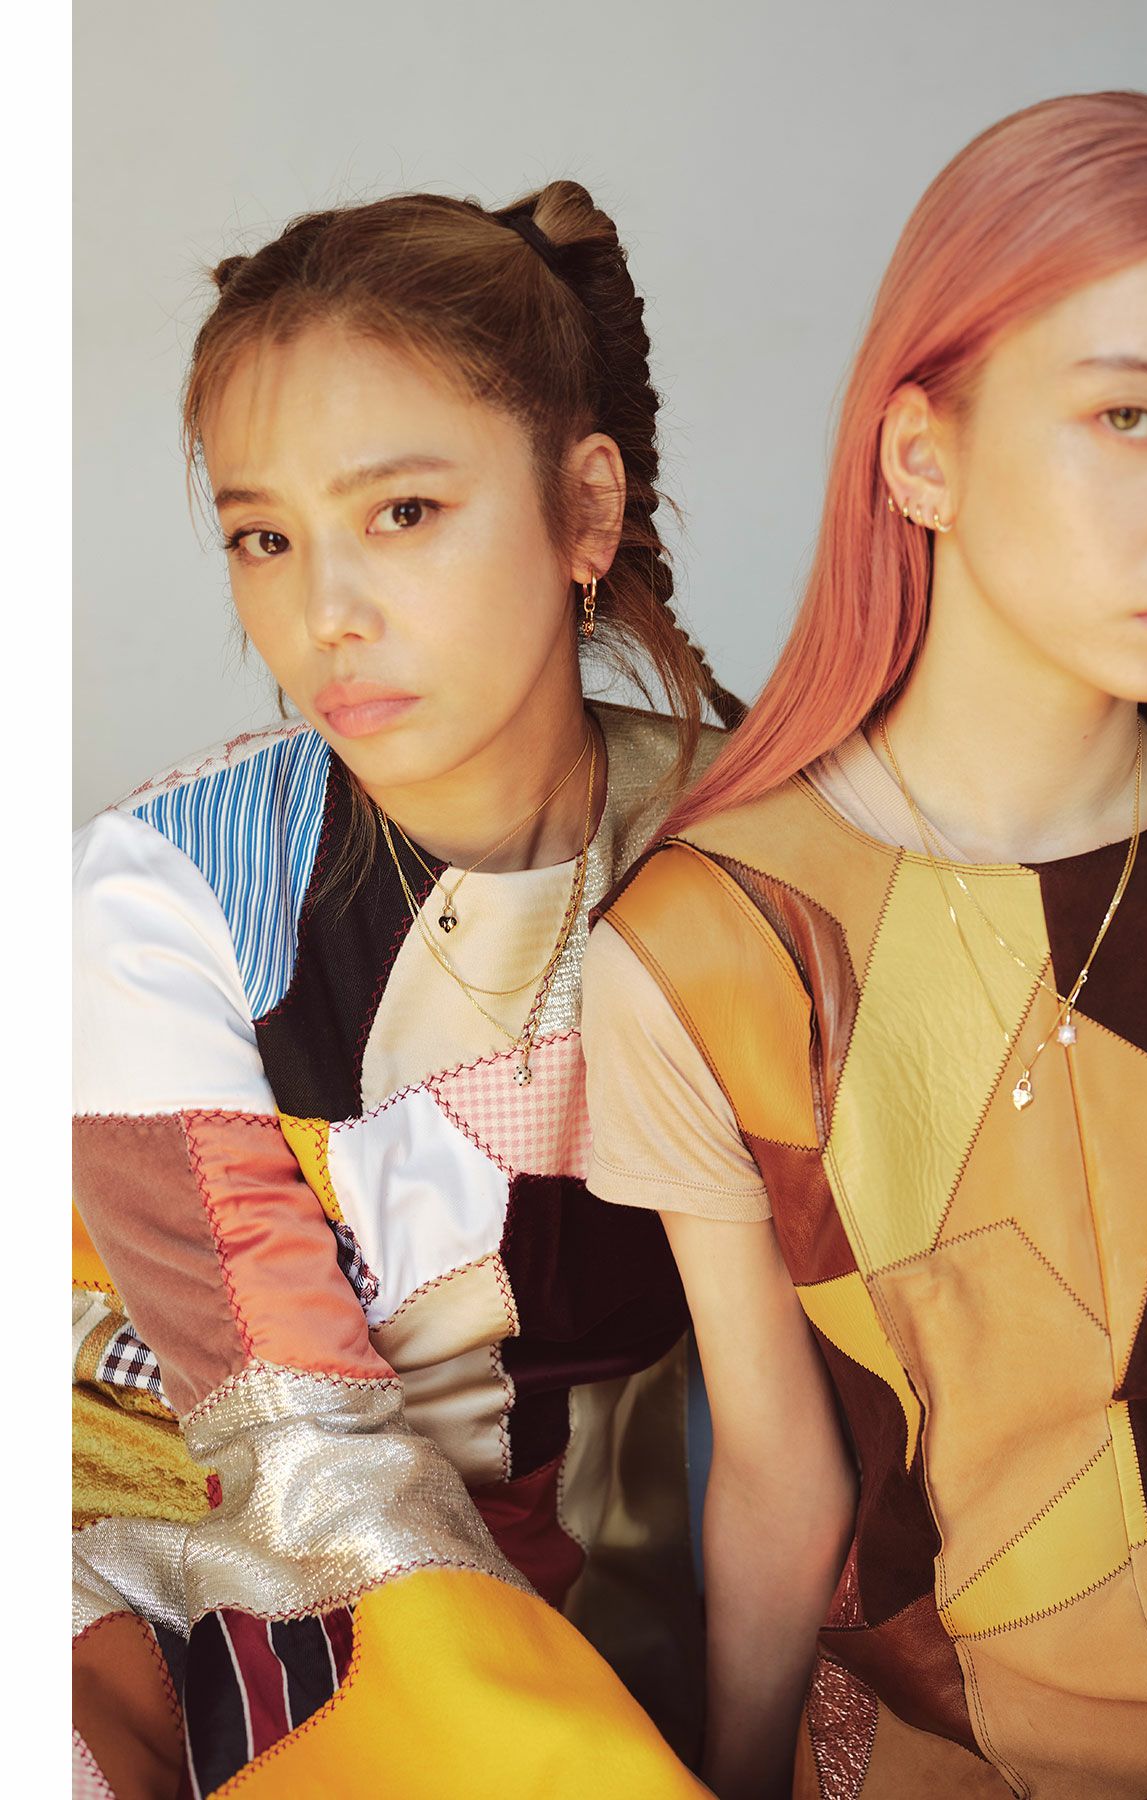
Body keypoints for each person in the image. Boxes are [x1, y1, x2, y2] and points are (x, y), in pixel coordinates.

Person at [581, 93, 1147, 1799]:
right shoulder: (708, 946)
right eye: (1132, 416)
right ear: (922, 457)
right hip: (934, 1749)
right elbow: (780, 1481)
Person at [71, 181, 742, 1798]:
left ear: (586, 510)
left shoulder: (762, 862)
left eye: (404, 512)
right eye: (263, 537)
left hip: (583, 1605)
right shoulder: (163, 891)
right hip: (152, 1537)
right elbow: (298, 1444)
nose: (324, 614)